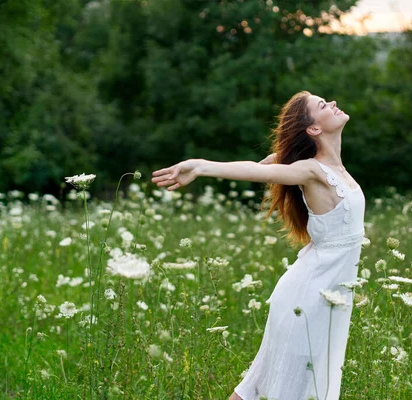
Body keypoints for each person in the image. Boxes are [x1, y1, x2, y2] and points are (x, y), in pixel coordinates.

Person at [151, 90, 365, 400]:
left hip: (330, 299)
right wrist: (200, 166)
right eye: (323, 105)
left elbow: (269, 162)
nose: (332, 103)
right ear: (314, 129)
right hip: (306, 299)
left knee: (270, 387)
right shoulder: (311, 171)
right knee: (277, 388)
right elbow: (259, 170)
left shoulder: (335, 171)